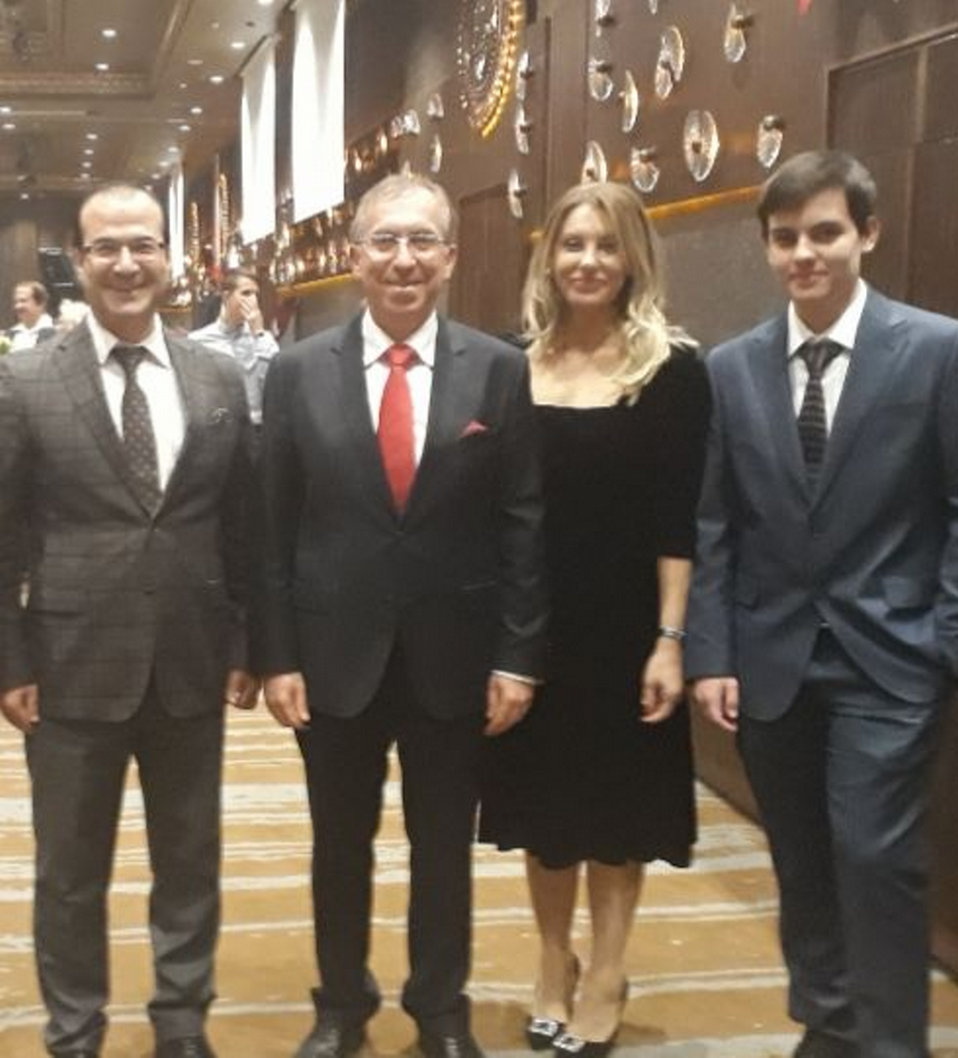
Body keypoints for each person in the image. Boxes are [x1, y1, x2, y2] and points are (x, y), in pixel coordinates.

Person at [685, 150, 958, 1058]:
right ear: (767, 247)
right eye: (785, 237)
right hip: (771, 660)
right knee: (802, 856)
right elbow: (715, 522)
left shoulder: (939, 350)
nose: (804, 254)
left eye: (824, 233)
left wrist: (950, 641)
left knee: (875, 856)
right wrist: (713, 652)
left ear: (867, 233)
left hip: (894, 658)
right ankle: (829, 1022)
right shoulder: (733, 367)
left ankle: (892, 1041)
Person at [252, 173, 547, 1058]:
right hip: (331, 656)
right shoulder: (298, 372)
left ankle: (440, 1011)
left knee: (442, 849)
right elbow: (271, 526)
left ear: (450, 257)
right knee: (339, 847)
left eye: (422, 241)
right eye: (384, 241)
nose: (403, 260)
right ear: (355, 257)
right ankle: (341, 1005)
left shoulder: (498, 369)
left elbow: (524, 522)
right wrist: (277, 655)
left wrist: (518, 656)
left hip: (454, 658)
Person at [0, 184, 257, 1058]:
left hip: (192, 660)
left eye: (142, 245)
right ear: (77, 261)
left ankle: (181, 1024)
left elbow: (241, 523)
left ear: (168, 257)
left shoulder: (215, 376)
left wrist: (245, 641)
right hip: (68, 667)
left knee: (189, 862)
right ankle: (75, 1030)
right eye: (106, 247)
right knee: (70, 874)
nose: (125, 263)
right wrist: (10, 661)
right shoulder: (26, 380)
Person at [478, 181, 710, 1058]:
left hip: (627, 629)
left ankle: (607, 972)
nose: (588, 261)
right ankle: (553, 962)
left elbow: (679, 521)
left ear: (633, 259)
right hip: (531, 624)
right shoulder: (510, 364)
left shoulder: (672, 369)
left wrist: (670, 640)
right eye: (573, 244)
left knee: (618, 813)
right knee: (544, 812)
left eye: (607, 246)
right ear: (549, 258)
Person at [188, 267, 278, 427]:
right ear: (226, 297)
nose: (253, 301)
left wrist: (258, 334)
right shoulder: (198, 341)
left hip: (259, 427)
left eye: (256, 295)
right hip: (219, 428)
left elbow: (273, 385)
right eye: (246, 293)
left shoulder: (264, 340)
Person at [8, 279, 56, 349]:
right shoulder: (10, 334)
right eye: (16, 302)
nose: (17, 306)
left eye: (23, 301)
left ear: (41, 304)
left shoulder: (57, 333)